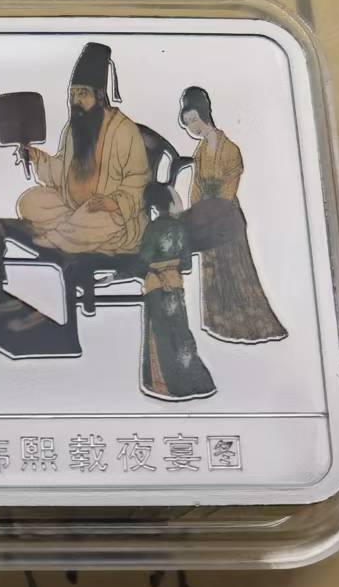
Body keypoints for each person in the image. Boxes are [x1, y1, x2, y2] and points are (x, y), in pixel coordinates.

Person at [15, 42, 149, 256]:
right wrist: (36, 157)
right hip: (73, 209)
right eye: (73, 94)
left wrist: (114, 203)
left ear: (99, 96)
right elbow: (62, 172)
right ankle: (72, 232)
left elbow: (139, 180)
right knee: (29, 202)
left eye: (83, 93)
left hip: (111, 214)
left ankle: (61, 237)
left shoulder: (123, 130)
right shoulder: (73, 129)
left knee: (97, 219)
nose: (75, 101)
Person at [177, 86, 287, 343]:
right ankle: (220, 324)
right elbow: (196, 187)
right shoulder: (200, 152)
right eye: (187, 123)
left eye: (193, 119)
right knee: (213, 270)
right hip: (206, 217)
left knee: (235, 271)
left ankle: (249, 325)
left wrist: (214, 209)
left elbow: (229, 187)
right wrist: (195, 213)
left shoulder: (230, 149)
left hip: (226, 218)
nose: (192, 127)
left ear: (204, 114)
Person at [137, 183, 216, 401]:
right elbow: (187, 264)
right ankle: (196, 382)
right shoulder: (181, 228)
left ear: (154, 205)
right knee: (181, 332)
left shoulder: (153, 229)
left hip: (156, 284)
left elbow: (144, 259)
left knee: (161, 334)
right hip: (175, 282)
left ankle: (168, 385)